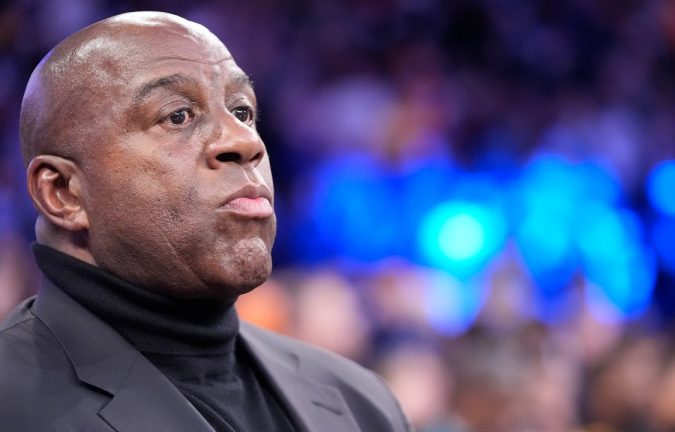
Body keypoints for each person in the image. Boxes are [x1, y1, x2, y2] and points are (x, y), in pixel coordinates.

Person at [0, 11, 411, 432]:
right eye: (178, 115)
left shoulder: (362, 404)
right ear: (63, 192)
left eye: (243, 111)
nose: (245, 141)